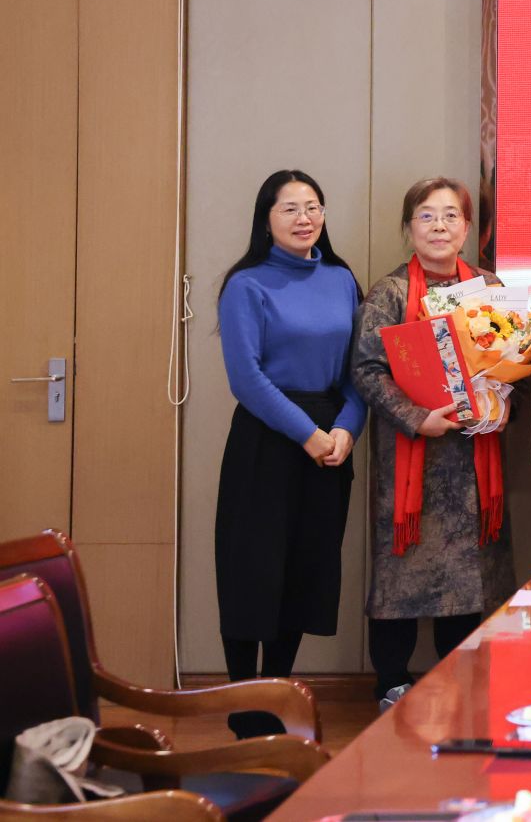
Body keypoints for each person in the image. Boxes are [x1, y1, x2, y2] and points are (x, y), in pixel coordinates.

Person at [349, 177, 517, 703]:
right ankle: (392, 683)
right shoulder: (391, 292)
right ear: (409, 228)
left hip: (474, 452)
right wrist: (417, 417)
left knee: (471, 576)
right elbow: (367, 371)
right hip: (413, 459)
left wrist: (499, 402)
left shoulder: (490, 288)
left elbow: (515, 359)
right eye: (426, 215)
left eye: (450, 216)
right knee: (401, 574)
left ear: (468, 229)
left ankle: (462, 684)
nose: (439, 226)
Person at [213, 169, 362, 737]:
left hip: (329, 442)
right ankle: (242, 703)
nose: (305, 218)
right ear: (266, 219)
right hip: (266, 439)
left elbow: (356, 374)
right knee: (251, 570)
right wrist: (308, 435)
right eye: (291, 208)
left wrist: (346, 430)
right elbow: (246, 379)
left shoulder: (342, 279)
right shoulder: (246, 284)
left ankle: (276, 694)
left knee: (304, 570)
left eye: (313, 206)